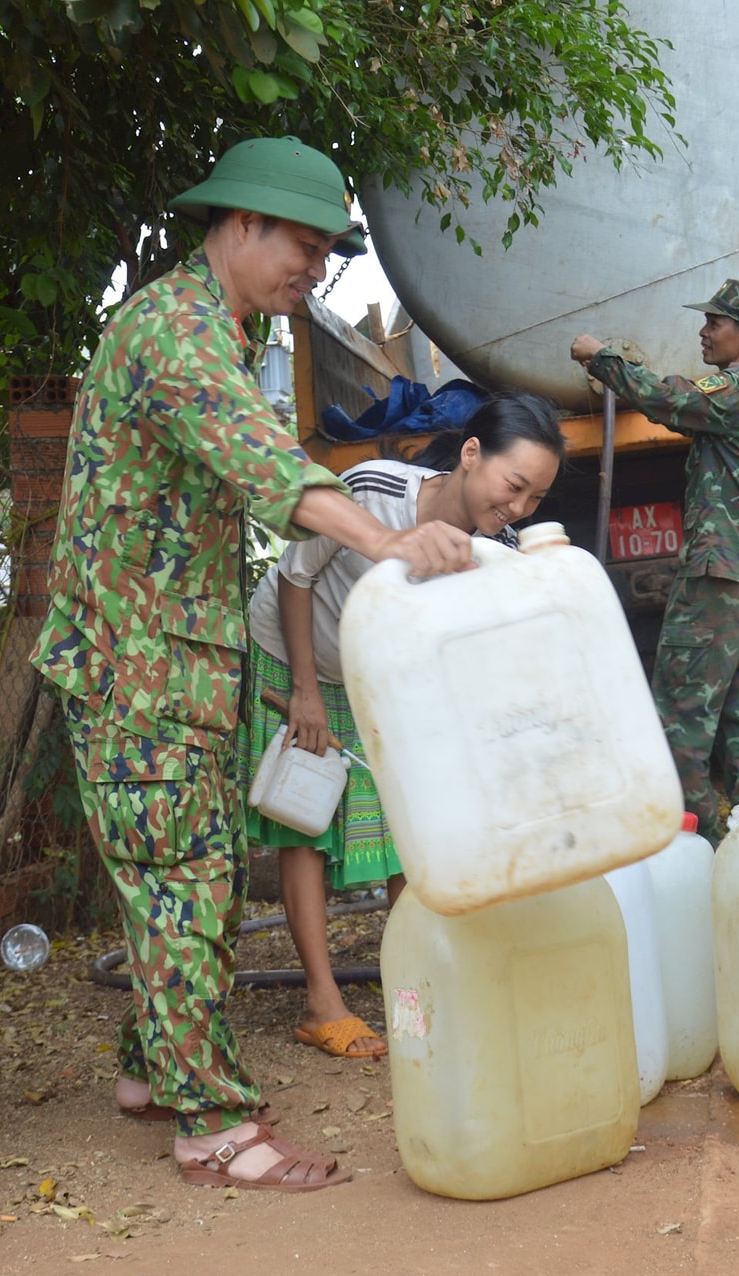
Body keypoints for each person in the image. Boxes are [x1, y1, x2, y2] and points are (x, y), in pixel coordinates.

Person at [30, 136, 474, 1193]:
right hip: (138, 667)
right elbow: (268, 471)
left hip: (167, 661)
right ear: (238, 223)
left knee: (187, 879)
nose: (312, 271)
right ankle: (215, 1128)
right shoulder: (179, 334)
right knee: (185, 886)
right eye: (302, 246)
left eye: (325, 253)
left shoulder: (215, 330)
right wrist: (389, 540)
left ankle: (154, 1072)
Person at [241, 393, 564, 1060]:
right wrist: (303, 692)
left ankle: (422, 987)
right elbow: (294, 582)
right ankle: (322, 1003)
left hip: (374, 671)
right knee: (307, 819)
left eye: (536, 498)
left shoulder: (494, 550)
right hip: (294, 651)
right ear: (472, 455)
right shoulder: (374, 489)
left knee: (404, 828)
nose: (520, 509)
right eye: (515, 486)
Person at [569, 280, 739, 843]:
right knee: (738, 713)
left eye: (715, 323)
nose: (703, 332)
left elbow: (668, 397)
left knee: (680, 719)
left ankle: (701, 848)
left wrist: (600, 356)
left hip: (719, 573)